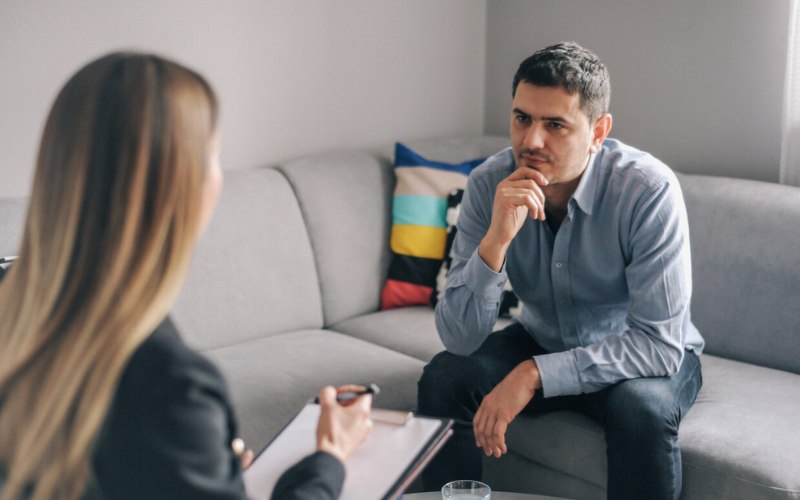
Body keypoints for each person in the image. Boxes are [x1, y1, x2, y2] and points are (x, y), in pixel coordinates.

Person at [0, 52, 372, 500]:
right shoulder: (169, 385)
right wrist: (329, 459)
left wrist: (203, 466)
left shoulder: (17, 311)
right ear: (178, 184)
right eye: (214, 154)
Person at [417, 42, 704, 500]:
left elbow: (657, 344)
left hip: (636, 354)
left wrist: (533, 374)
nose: (530, 141)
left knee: (641, 410)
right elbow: (459, 339)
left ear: (598, 131)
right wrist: (495, 242)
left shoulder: (648, 190)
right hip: (544, 334)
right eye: (521, 118)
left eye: (555, 125)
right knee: (445, 377)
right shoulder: (489, 184)